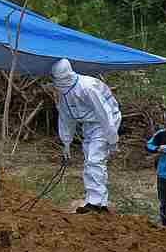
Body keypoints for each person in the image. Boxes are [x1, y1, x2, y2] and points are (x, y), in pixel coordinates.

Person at [51, 58, 122, 214]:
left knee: (95, 159)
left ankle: (96, 203)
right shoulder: (64, 93)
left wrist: (112, 138)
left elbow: (104, 112)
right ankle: (95, 201)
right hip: (89, 124)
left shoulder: (87, 87)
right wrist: (66, 143)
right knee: (89, 160)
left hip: (105, 122)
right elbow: (65, 117)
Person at [147, 118, 166, 227]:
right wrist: (158, 148)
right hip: (163, 174)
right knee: (164, 203)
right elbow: (149, 145)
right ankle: (165, 226)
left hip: (164, 174)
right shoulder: (161, 134)